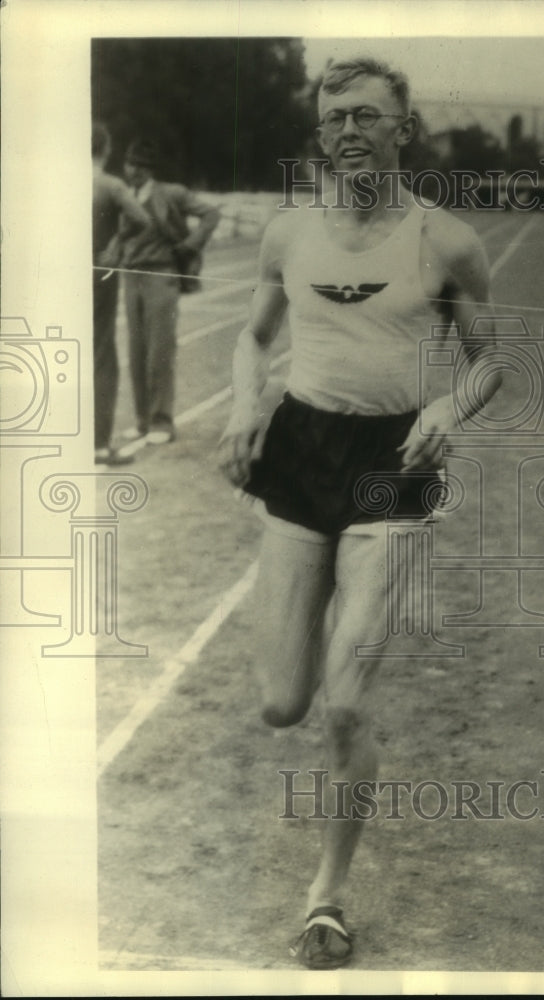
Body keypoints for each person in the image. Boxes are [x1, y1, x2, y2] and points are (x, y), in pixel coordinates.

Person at [218, 57, 500, 969]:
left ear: (403, 129)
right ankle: (316, 699)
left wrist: (445, 411)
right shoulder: (288, 235)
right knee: (280, 702)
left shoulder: (446, 242)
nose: (350, 130)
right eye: (335, 116)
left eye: (369, 116)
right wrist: (240, 404)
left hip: (392, 465)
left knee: (344, 706)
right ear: (320, 133)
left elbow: (490, 362)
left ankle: (326, 901)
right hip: (302, 454)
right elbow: (251, 338)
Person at [119, 139, 220, 444]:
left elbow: (211, 214)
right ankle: (142, 420)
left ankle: (162, 422)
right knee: (136, 352)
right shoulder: (126, 196)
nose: (131, 169)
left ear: (148, 168)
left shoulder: (171, 193)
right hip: (131, 276)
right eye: (129, 163)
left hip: (161, 276)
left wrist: (191, 244)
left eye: (137, 164)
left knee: (159, 352)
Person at [91, 122, 151, 465]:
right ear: (107, 149)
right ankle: (99, 444)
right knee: (102, 356)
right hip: (99, 272)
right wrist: (117, 241)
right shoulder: (111, 185)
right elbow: (142, 219)